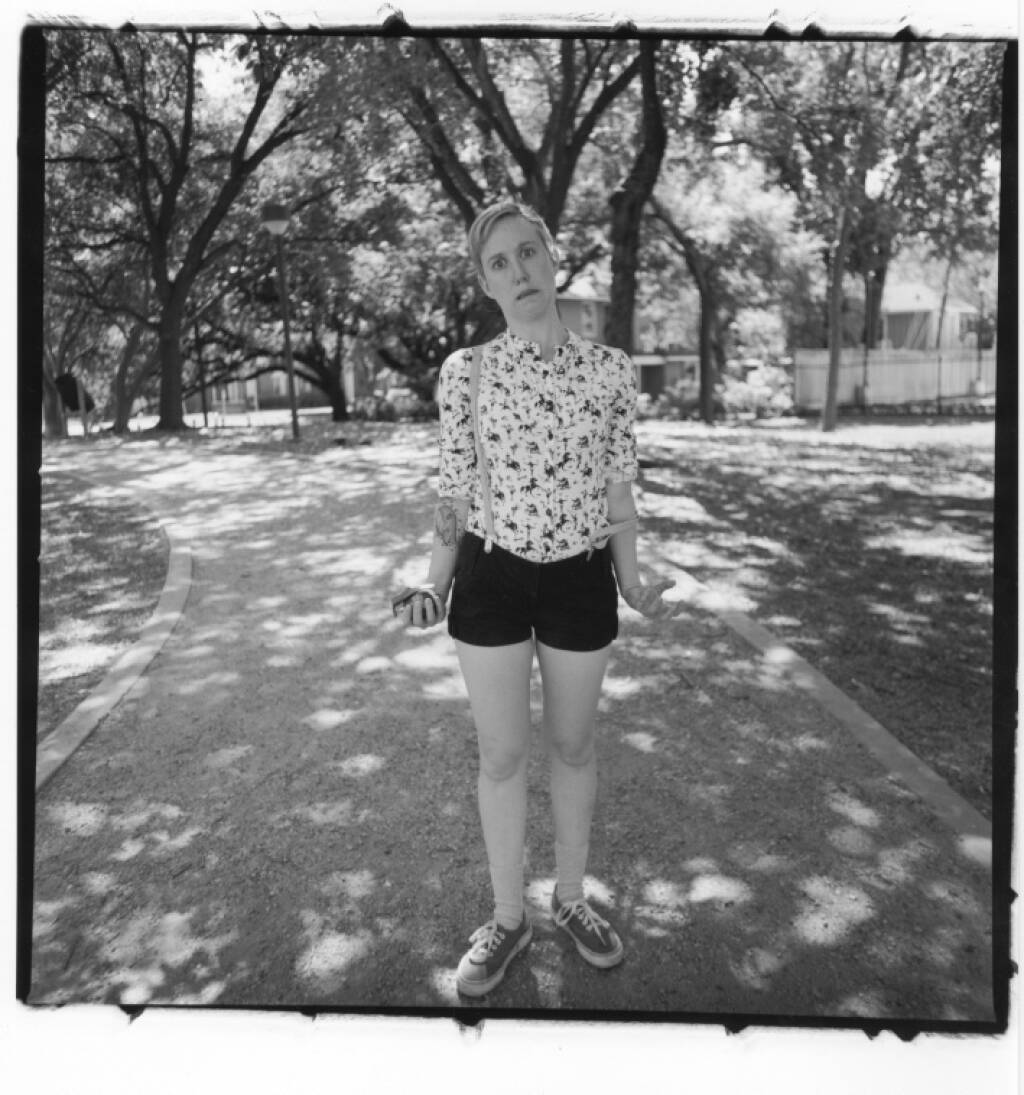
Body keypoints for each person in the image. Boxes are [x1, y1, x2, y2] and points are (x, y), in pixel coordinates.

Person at [391, 199, 679, 998]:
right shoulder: (466, 372)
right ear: (486, 285)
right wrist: (433, 581)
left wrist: (634, 580)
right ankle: (508, 916)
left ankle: (572, 898)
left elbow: (619, 488)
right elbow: (454, 491)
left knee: (575, 747)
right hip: (491, 577)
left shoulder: (611, 371)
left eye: (527, 253)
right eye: (499, 264)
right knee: (503, 755)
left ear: (553, 256)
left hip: (580, 578)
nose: (518, 272)